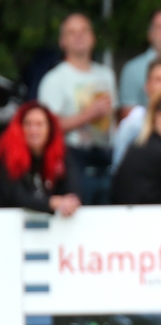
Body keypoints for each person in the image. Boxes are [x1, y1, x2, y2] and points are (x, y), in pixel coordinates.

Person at [37, 13, 117, 206]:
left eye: (83, 31)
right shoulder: (54, 79)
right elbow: (47, 127)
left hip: (106, 159)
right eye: (72, 32)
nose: (79, 36)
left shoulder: (106, 74)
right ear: (62, 42)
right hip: (73, 161)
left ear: (92, 37)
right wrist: (88, 115)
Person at [0, 101, 81, 215]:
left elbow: (73, 186)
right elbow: (15, 196)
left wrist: (71, 201)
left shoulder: (61, 153)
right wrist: (51, 203)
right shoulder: (6, 155)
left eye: (39, 124)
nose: (33, 130)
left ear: (50, 129)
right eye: (28, 124)